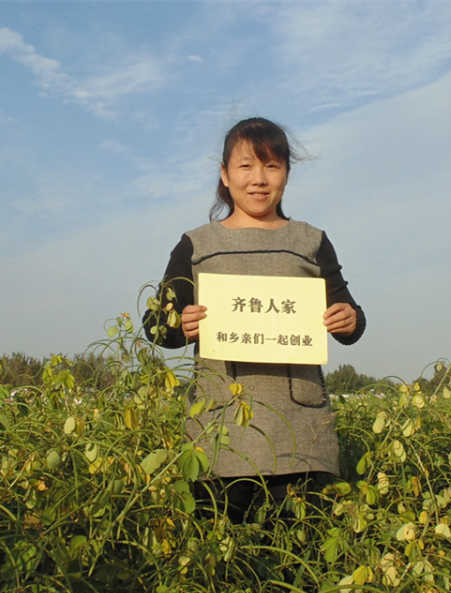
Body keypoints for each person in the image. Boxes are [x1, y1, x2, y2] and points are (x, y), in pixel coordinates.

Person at [143, 117, 365, 520]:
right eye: (246, 166)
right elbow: (157, 324)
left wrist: (348, 319)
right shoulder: (197, 245)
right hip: (221, 432)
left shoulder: (311, 242)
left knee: (299, 558)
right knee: (226, 562)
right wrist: (181, 324)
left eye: (272, 166)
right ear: (225, 175)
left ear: (286, 174)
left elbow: (350, 317)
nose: (259, 179)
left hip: (300, 433)